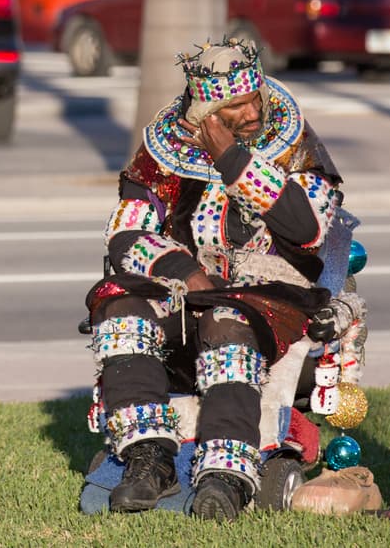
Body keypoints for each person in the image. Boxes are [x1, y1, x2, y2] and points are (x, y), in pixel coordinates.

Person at [84, 36, 343, 521]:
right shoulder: (164, 150)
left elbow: (306, 226)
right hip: (187, 288)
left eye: (253, 100)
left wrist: (232, 159)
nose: (250, 113)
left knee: (226, 321)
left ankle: (226, 474)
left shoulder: (294, 140)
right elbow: (124, 232)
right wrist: (184, 272)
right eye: (233, 108)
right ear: (205, 115)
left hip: (270, 292)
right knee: (120, 307)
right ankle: (149, 459)